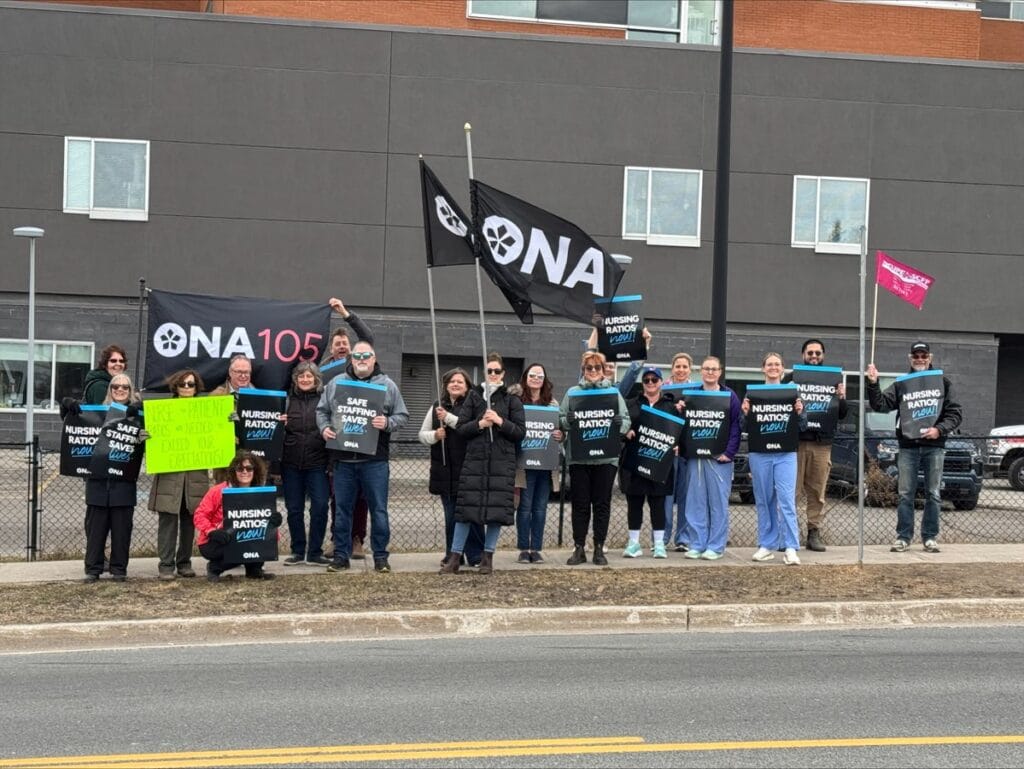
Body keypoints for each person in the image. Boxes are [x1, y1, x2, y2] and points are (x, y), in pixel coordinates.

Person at [317, 341, 409, 573]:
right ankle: (340, 556)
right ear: (351, 358)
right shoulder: (336, 383)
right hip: (343, 460)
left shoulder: (387, 385)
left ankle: (380, 557)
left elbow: (402, 416)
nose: (361, 359)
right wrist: (324, 428)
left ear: (374, 358)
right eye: (357, 355)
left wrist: (387, 422)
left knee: (379, 510)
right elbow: (322, 411)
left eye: (366, 355)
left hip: (375, 461)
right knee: (341, 510)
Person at [866, 342, 963, 554]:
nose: (920, 359)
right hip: (908, 446)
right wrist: (873, 383)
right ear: (910, 358)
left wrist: (939, 430)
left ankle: (930, 537)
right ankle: (903, 537)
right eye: (916, 355)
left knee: (933, 493)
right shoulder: (902, 383)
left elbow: (955, 413)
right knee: (905, 494)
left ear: (930, 357)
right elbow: (880, 404)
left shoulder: (943, 382)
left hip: (934, 446)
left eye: (923, 355)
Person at [440, 353, 526, 575]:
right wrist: (480, 423)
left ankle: (487, 556)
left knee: (495, 512)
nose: (493, 375)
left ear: (503, 374)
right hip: (476, 462)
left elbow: (519, 432)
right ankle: (455, 557)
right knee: (466, 510)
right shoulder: (474, 397)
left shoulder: (512, 400)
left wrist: (499, 421)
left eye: (497, 371)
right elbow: (462, 428)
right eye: (490, 371)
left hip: (501, 463)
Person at [560, 350, 630, 566]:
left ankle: (599, 547)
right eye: (588, 368)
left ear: (603, 371)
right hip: (579, 457)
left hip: (606, 459)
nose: (592, 371)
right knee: (580, 504)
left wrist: (621, 424)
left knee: (602, 504)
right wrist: (567, 421)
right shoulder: (573, 392)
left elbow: (626, 420)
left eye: (596, 368)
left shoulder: (613, 393)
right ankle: (579, 547)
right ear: (583, 370)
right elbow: (561, 418)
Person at [320, 296, 375, 560]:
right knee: (337, 497)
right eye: (338, 344)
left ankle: (357, 540)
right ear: (333, 349)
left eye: (345, 344)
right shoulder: (325, 371)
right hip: (336, 444)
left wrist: (344, 313)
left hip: (363, 440)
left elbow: (368, 336)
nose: (342, 347)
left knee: (361, 498)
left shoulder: (361, 364)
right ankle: (336, 538)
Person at [781, 338, 848, 552]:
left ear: (823, 356)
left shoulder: (833, 379)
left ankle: (814, 532)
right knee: (792, 491)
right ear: (803, 355)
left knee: (817, 492)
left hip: (822, 444)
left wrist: (842, 397)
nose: (814, 357)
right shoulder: (791, 378)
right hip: (796, 443)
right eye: (810, 353)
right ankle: (788, 535)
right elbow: (780, 408)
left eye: (818, 353)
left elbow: (842, 414)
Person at [147, 368, 210, 579]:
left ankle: (184, 562)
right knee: (168, 522)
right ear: (175, 386)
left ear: (196, 387)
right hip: (169, 475)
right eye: (182, 384)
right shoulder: (162, 411)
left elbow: (215, 438)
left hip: (195, 476)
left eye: (190, 384)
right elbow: (153, 441)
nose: (186, 388)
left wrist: (227, 422)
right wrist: (146, 434)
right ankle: (165, 565)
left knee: (189, 522)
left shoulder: (206, 411)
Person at [744, 353, 805, 566]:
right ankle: (766, 545)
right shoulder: (752, 395)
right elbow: (746, 427)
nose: (773, 367)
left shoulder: (792, 392)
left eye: (777, 364)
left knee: (786, 500)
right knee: (763, 499)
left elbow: (803, 425)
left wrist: (800, 412)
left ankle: (790, 547)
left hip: (786, 453)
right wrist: (745, 413)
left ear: (782, 368)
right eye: (769, 364)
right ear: (763, 368)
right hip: (760, 453)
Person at [80, 373, 143, 582]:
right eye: (116, 386)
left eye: (125, 386)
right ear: (110, 389)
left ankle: (119, 569)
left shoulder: (140, 415)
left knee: (122, 529)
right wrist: (67, 408)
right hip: (98, 482)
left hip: (124, 482)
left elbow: (156, 441)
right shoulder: (97, 413)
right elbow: (75, 425)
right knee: (96, 529)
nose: (120, 389)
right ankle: (93, 568)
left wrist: (144, 434)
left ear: (130, 389)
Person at [682, 356, 741, 561]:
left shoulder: (729, 395)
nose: (710, 372)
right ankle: (697, 543)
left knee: (718, 503)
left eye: (714, 369)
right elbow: (683, 425)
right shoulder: (691, 395)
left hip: (720, 458)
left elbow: (735, 425)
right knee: (695, 501)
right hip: (695, 456)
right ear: (701, 371)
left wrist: (729, 453)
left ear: (720, 372)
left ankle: (716, 546)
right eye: (706, 368)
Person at [419, 368, 479, 566]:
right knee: (450, 516)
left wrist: (448, 418)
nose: (455, 384)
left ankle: (475, 555)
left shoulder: (474, 406)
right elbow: (422, 434)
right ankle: (453, 554)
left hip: (467, 469)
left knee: (470, 515)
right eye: (452, 381)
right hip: (444, 470)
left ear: (467, 386)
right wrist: (435, 436)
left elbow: (468, 428)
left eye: (460, 382)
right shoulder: (437, 406)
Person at [194, 450, 281, 582]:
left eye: (249, 468)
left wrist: (273, 523)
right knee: (240, 544)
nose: (244, 472)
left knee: (257, 539)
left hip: (242, 537)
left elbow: (267, 530)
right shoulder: (219, 490)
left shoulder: (260, 494)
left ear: (255, 471)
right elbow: (199, 515)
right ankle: (215, 567)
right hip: (216, 540)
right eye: (240, 468)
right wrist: (211, 531)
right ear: (233, 471)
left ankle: (254, 570)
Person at [620, 366, 677, 559]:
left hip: (659, 463)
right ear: (642, 383)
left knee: (658, 503)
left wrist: (677, 445)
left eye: (655, 379)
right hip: (635, 461)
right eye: (647, 380)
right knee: (634, 503)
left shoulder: (671, 406)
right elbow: (620, 425)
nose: (651, 383)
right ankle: (634, 543)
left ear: (661, 382)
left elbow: (679, 432)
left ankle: (659, 544)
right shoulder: (631, 404)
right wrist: (625, 432)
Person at [510, 362, 562, 564]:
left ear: (544, 380)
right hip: (524, 464)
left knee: (540, 508)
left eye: (540, 376)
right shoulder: (516, 402)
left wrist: (560, 434)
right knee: (524, 507)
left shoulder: (552, 404)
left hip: (546, 466)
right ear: (526, 377)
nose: (536, 379)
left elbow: (560, 429)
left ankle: (536, 548)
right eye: (532, 375)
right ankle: (524, 548)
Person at [280, 361, 330, 566]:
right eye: (301, 376)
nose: (305, 379)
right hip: (291, 462)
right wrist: (280, 424)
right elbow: (275, 431)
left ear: (316, 379)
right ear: (295, 379)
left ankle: (315, 552)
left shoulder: (324, 400)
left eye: (309, 376)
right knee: (294, 509)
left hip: (318, 462)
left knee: (319, 507)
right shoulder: (286, 400)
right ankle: (298, 551)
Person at [665, 352, 694, 552]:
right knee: (666, 495)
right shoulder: (663, 390)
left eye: (685, 367)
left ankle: (683, 538)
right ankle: (662, 537)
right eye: (678, 366)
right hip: (667, 450)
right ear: (672, 368)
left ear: (690, 370)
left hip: (688, 450)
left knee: (686, 496)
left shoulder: (697, 391)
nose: (681, 370)